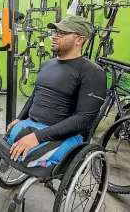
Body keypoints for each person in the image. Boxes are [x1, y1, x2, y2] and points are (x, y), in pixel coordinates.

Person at [7, 16, 107, 163]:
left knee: (26, 156)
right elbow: (35, 96)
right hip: (32, 125)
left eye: (61, 33)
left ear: (79, 40)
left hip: (63, 135)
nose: (54, 36)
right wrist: (19, 118)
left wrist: (37, 137)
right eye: (55, 32)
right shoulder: (46, 65)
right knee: (6, 141)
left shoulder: (92, 72)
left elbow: (84, 119)